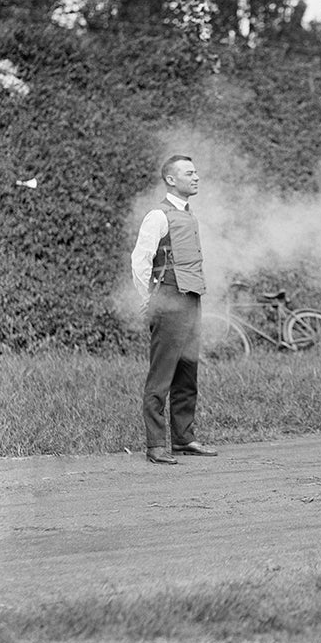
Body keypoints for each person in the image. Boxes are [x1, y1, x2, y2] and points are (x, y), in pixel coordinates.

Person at [131, 155, 218, 464]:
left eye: (195, 172)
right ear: (171, 179)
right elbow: (140, 260)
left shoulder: (189, 215)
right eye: (188, 173)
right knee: (161, 375)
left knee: (187, 372)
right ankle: (156, 445)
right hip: (168, 298)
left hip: (192, 298)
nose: (195, 177)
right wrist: (148, 301)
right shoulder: (158, 215)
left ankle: (184, 438)